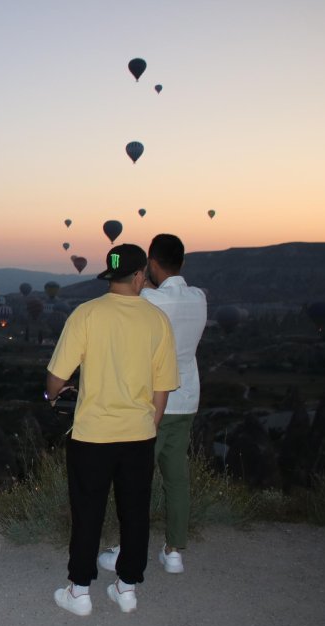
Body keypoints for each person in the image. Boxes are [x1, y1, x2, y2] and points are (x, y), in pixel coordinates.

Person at [46, 244, 179, 616]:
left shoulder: (86, 314)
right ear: (140, 276)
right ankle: (127, 587)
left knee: (88, 510)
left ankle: (80, 591)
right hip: (138, 434)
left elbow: (57, 377)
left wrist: (50, 395)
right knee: (135, 512)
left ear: (112, 274)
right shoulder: (157, 321)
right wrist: (149, 425)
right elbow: (162, 385)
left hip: (93, 435)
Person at [98, 234, 207, 574]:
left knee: (135, 481)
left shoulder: (149, 299)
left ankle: (128, 553)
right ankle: (173, 551)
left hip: (151, 402)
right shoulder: (199, 298)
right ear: (182, 262)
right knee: (177, 478)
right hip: (186, 397)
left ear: (152, 264)